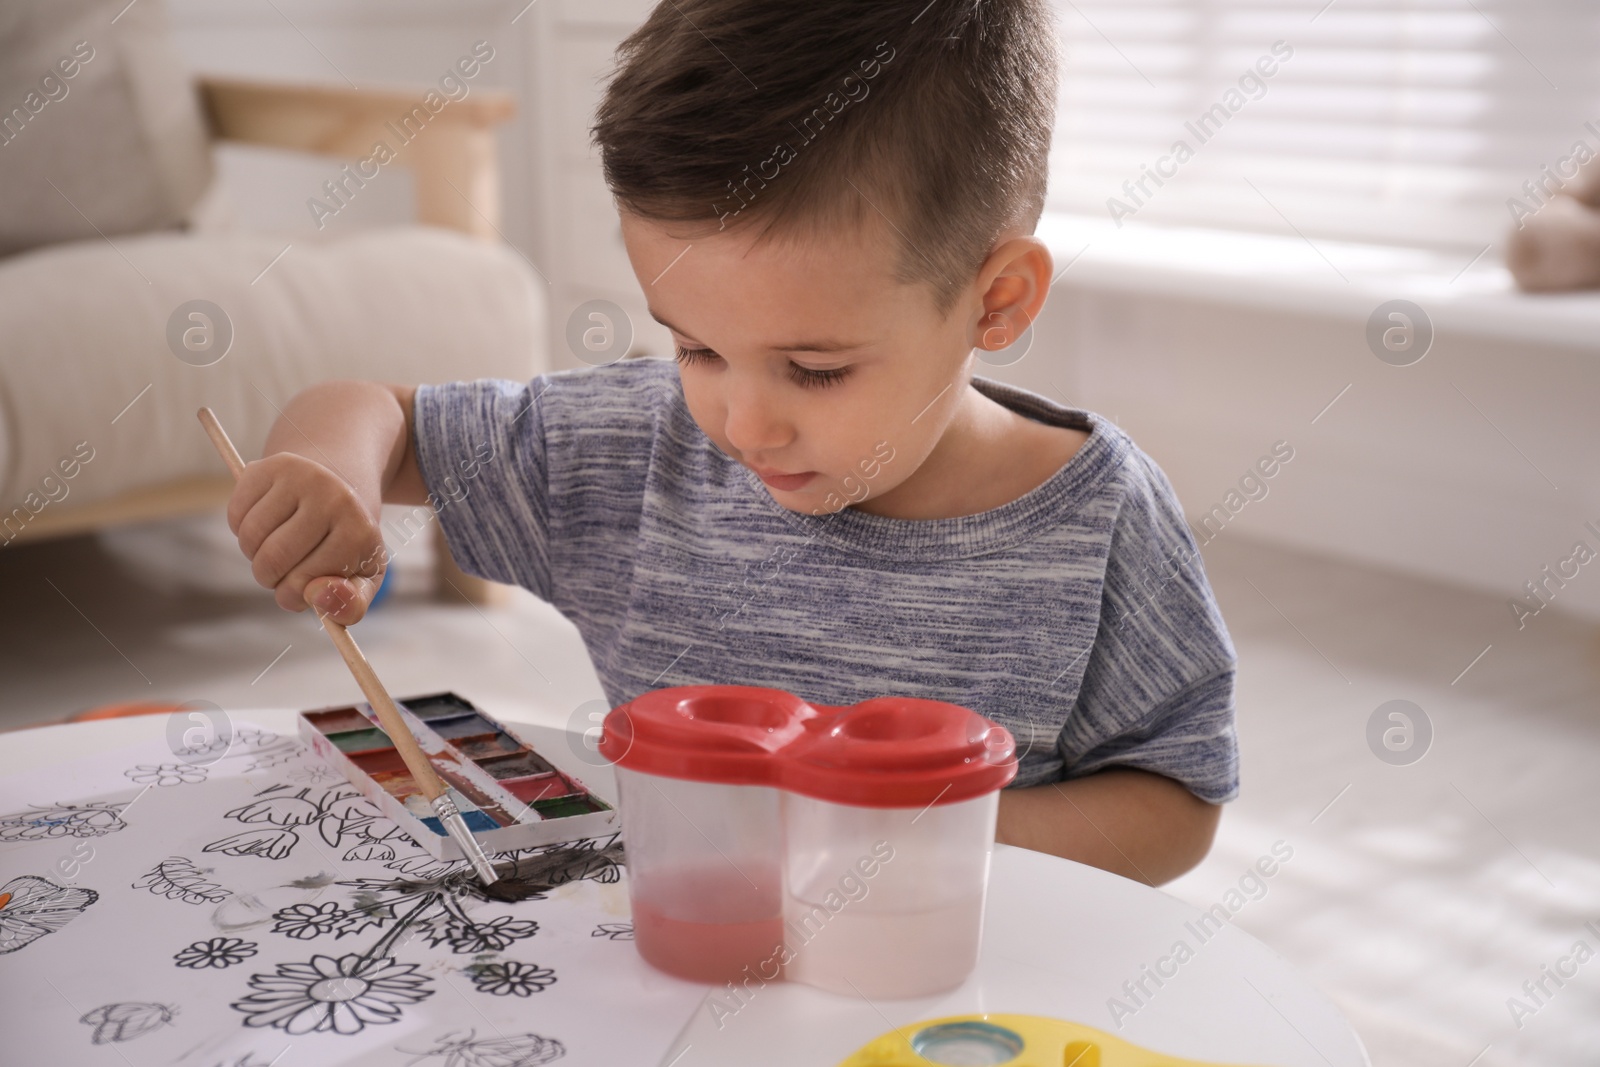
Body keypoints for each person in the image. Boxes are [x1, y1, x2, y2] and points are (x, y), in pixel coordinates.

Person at [225, 0, 1237, 885]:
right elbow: (379, 413)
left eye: (815, 368)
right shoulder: (627, 451)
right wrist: (324, 473)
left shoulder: (1097, 518)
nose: (743, 424)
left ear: (997, 300)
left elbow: (1176, 801)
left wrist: (906, 834)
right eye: (695, 346)